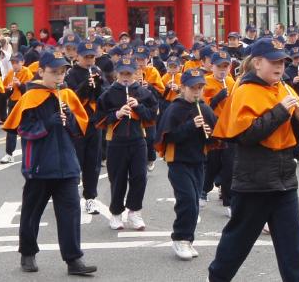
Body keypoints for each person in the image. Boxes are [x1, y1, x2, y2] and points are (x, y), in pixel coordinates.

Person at [208, 38, 299, 282]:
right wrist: (280, 111)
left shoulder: (284, 89)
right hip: (254, 181)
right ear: (256, 63)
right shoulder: (245, 90)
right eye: (273, 61)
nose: (280, 66)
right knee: (236, 243)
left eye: (282, 62)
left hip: (285, 180)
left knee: (294, 249)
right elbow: (246, 135)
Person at [2, 50, 96, 275]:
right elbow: (23, 130)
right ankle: (28, 252)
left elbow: (79, 130)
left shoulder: (67, 95)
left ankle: (74, 259)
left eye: (62, 72)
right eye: (54, 72)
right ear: (41, 71)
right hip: (39, 166)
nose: (59, 77)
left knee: (71, 214)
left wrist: (69, 120)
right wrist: (48, 124)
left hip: (67, 165)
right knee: (32, 213)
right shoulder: (29, 98)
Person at [155, 69, 216, 260]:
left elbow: (213, 137)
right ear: (183, 88)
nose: (197, 92)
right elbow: (168, 136)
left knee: (195, 202)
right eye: (192, 88)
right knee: (187, 201)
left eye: (200, 87)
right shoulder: (175, 108)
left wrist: (208, 133)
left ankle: (188, 239)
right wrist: (191, 125)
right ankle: (179, 238)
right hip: (178, 161)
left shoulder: (205, 108)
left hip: (198, 161)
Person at [95, 57, 158, 231]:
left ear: (135, 74)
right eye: (122, 73)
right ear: (116, 73)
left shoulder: (143, 92)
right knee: (117, 179)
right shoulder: (108, 93)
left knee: (140, 177)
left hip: (138, 140)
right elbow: (99, 118)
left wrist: (138, 106)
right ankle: (116, 213)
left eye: (129, 74)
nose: (125, 77)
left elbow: (152, 114)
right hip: (116, 142)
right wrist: (116, 114)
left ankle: (134, 212)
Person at [64, 42, 104, 215]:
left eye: (92, 57)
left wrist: (99, 84)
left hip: (94, 122)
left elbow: (104, 97)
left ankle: (90, 198)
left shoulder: (98, 72)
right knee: (76, 162)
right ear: (78, 56)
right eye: (86, 57)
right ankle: (69, 195)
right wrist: (85, 86)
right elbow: (71, 98)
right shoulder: (71, 74)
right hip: (77, 124)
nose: (89, 60)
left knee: (93, 162)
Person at [201, 52, 235, 216]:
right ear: (212, 66)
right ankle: (204, 190)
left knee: (229, 164)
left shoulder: (230, 81)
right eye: (219, 66)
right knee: (212, 162)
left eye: (225, 67)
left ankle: (229, 201)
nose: (222, 70)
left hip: (228, 128)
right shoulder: (206, 82)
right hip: (212, 126)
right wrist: (216, 98)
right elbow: (201, 105)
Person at [0, 53, 34, 164]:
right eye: (13, 63)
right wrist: (8, 89)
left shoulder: (27, 72)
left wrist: (20, 84)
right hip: (13, 103)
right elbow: (4, 92)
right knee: (11, 129)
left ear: (22, 62)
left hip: (24, 103)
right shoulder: (10, 73)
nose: (14, 65)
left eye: (17, 62)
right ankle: (9, 154)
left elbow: (29, 90)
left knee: (26, 128)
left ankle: (29, 153)